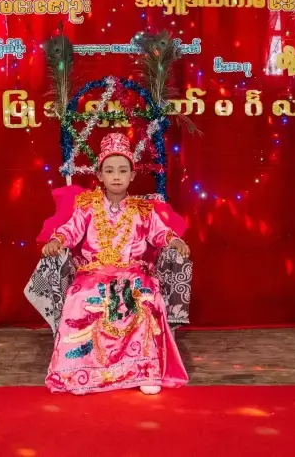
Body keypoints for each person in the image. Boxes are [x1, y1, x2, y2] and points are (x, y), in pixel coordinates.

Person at [39, 133, 190, 395]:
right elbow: (70, 231)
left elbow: (159, 233)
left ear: (132, 175)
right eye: (109, 171)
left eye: (122, 170)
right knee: (81, 295)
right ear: (99, 175)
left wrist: (174, 241)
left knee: (142, 298)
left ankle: (145, 370)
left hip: (132, 270)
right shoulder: (86, 206)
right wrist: (57, 241)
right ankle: (79, 371)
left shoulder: (144, 209)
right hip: (94, 272)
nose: (116, 176)